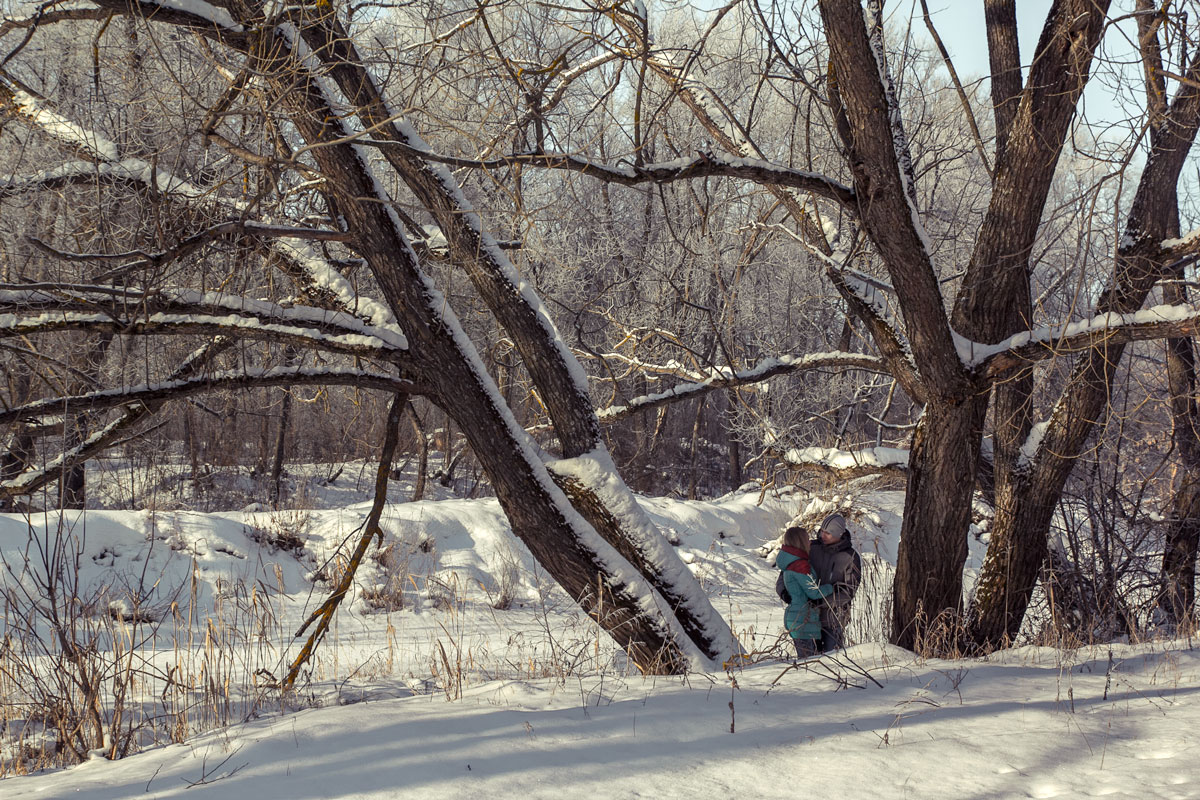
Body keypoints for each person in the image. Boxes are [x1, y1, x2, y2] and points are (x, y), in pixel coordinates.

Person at [776, 526, 833, 659]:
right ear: (800, 542)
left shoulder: (791, 563)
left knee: (810, 662)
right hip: (803, 620)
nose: (810, 542)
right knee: (809, 665)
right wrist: (832, 587)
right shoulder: (799, 566)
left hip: (800, 618)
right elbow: (814, 592)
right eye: (807, 539)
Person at [809, 512, 862, 652]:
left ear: (839, 534)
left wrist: (822, 601)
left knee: (832, 658)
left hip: (834, 618)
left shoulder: (850, 557)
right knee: (808, 661)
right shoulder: (811, 548)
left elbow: (849, 590)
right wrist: (784, 592)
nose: (823, 536)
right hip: (808, 615)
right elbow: (789, 569)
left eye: (828, 533)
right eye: (822, 531)